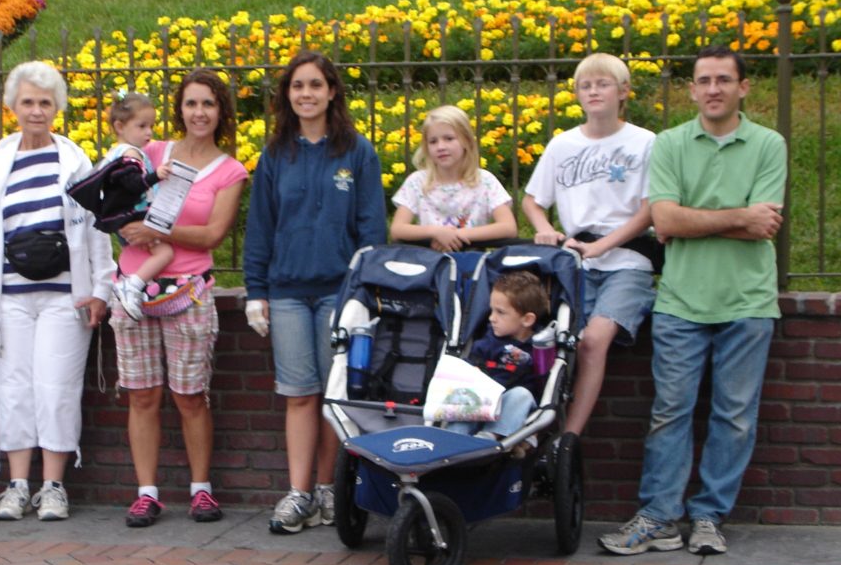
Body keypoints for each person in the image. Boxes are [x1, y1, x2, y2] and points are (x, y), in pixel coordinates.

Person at [598, 45, 786, 557]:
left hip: (747, 302)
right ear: (692, 89)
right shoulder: (673, 144)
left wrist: (699, 218)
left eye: (724, 80)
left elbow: (763, 223)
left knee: (735, 416)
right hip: (680, 301)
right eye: (704, 81)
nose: (713, 89)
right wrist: (736, 218)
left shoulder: (769, 145)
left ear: (743, 87)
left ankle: (708, 516)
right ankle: (659, 516)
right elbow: (667, 220)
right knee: (669, 412)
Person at [0, 62, 115, 523]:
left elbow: (96, 227)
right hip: (8, 298)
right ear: (12, 107)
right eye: (27, 102)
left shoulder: (74, 160)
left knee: (57, 388)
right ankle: (16, 485)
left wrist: (101, 288)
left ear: (57, 109)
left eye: (45, 103)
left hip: (64, 296)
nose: (36, 111)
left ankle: (53, 487)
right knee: (13, 388)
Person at [243, 50, 387, 535]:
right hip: (286, 294)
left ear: (331, 92)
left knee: (335, 398)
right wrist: (254, 292)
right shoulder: (274, 154)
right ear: (287, 95)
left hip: (339, 294)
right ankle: (299, 493)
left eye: (315, 85)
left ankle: (330, 490)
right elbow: (259, 229)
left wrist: (364, 292)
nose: (306, 94)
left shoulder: (357, 152)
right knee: (299, 394)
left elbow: (372, 230)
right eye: (297, 86)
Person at [111, 68, 247, 528]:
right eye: (191, 103)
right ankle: (146, 492)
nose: (199, 112)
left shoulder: (229, 170)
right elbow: (114, 197)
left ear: (221, 110)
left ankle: (200, 489)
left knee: (190, 395)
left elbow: (211, 235)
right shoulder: (151, 151)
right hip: (135, 286)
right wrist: (128, 225)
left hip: (188, 293)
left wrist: (156, 229)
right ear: (180, 109)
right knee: (142, 394)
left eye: (208, 103)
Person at [521, 53, 657, 436]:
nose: (594, 91)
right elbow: (532, 200)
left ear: (624, 91)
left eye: (603, 84)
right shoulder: (562, 145)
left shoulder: (644, 143)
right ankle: (537, 424)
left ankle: (569, 438)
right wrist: (545, 227)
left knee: (593, 341)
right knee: (556, 341)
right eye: (586, 85)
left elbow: (648, 211)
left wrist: (604, 245)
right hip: (575, 261)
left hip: (627, 261)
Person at [68, 91, 174, 321]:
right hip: (133, 217)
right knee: (165, 252)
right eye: (142, 126)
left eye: (151, 125)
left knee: (152, 253)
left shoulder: (116, 154)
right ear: (119, 126)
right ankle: (132, 286)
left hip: (122, 218)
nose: (149, 132)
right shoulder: (130, 154)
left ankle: (142, 285)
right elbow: (133, 185)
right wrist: (158, 175)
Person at [443, 271, 549, 452]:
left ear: (527, 319)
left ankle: (491, 437)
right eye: (491, 310)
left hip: (509, 407)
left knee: (522, 395)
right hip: (481, 401)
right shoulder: (487, 342)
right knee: (463, 400)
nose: (492, 318)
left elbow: (543, 385)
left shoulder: (538, 347)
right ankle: (452, 443)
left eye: (500, 312)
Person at [389, 104, 517, 249]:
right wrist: (436, 232)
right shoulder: (417, 182)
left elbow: (508, 227)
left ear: (467, 141)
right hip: (431, 263)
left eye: (449, 139)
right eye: (433, 141)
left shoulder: (485, 181)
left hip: (473, 261)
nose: (441, 146)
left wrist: (459, 235)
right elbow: (397, 229)